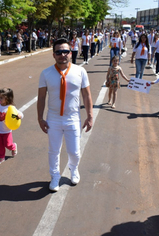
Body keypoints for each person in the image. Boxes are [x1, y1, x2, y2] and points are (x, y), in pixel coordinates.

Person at [37, 38, 93, 192]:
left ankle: (73, 169)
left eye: (66, 51)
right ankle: (55, 175)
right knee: (54, 150)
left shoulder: (80, 71)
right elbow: (41, 97)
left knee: (74, 151)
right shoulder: (46, 73)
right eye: (59, 52)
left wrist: (90, 116)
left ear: (70, 52)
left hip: (73, 118)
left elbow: (87, 95)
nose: (63, 55)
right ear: (53, 54)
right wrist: (40, 118)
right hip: (53, 118)